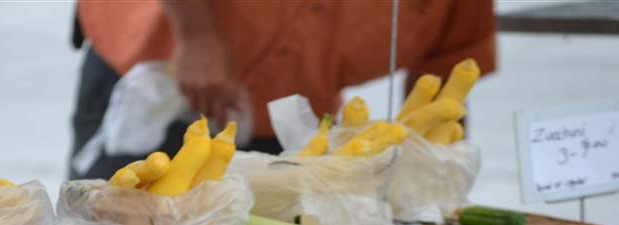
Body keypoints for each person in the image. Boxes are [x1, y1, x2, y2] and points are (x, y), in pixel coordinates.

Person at [69, 0, 496, 179]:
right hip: (154, 68)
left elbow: (450, 73)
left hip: (292, 113)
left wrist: (435, 174)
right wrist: (197, 35)